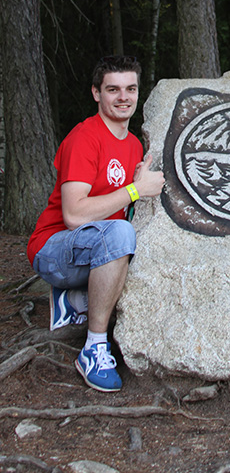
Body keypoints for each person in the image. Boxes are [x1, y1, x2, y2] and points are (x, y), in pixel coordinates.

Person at [27, 55, 165, 392]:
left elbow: (119, 207)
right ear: (96, 93)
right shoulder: (85, 138)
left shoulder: (133, 145)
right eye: (113, 89)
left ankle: (77, 300)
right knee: (120, 234)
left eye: (130, 89)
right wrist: (135, 190)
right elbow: (74, 215)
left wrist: (136, 188)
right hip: (53, 248)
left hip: (93, 247)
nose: (123, 97)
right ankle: (94, 347)